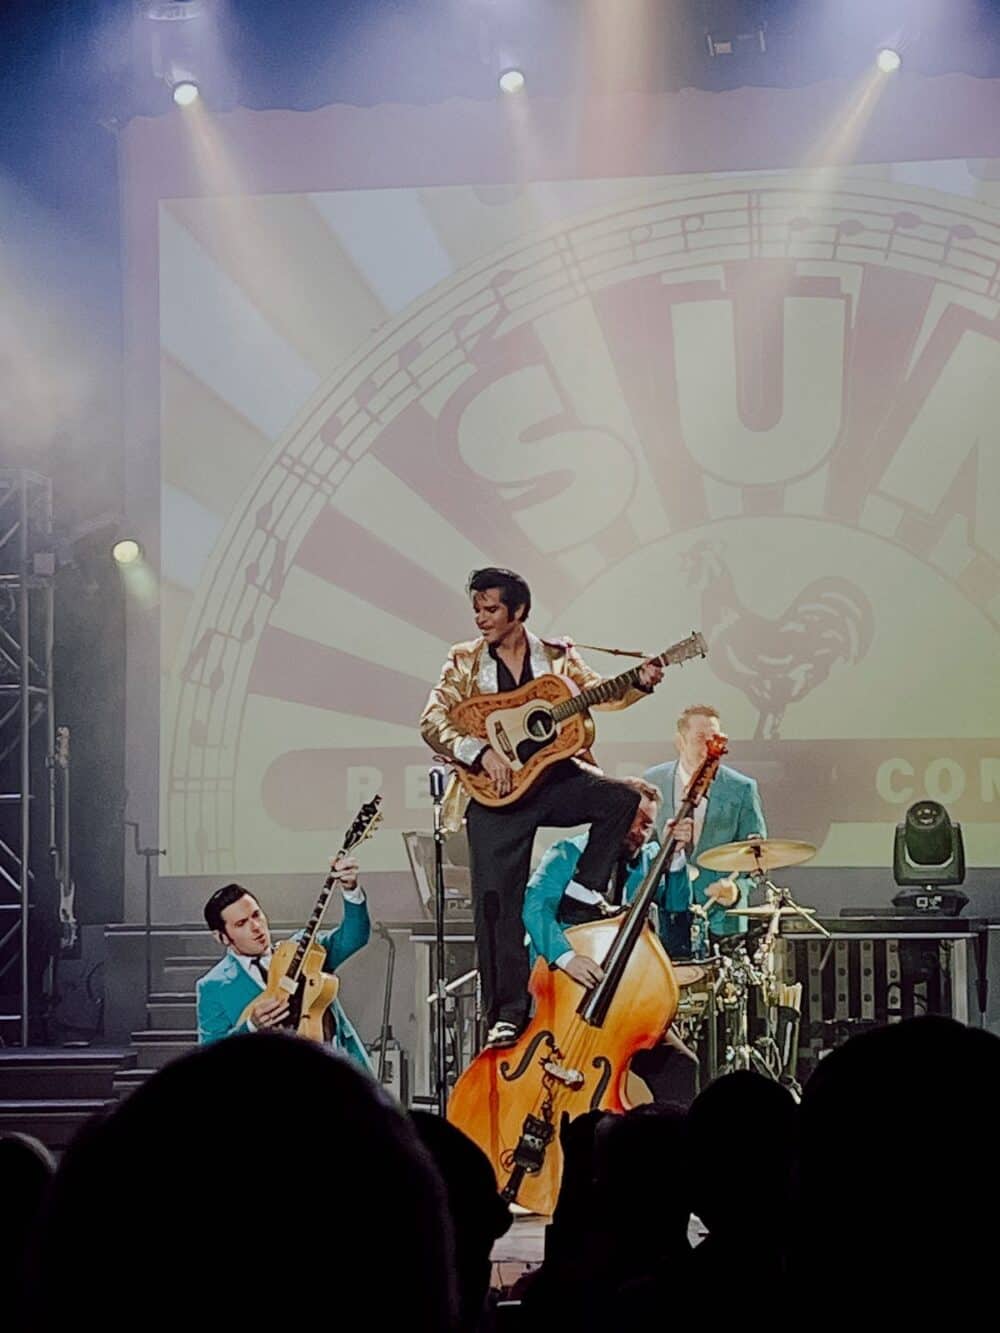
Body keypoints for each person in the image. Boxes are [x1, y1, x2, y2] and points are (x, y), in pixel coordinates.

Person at [420, 567, 663, 1047]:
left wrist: (641, 682)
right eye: (477, 609)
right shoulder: (464, 660)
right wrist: (480, 752)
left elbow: (602, 693)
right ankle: (506, 1013)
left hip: (551, 779)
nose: (481, 619)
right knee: (496, 906)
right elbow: (433, 719)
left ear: (519, 611)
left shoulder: (556, 655)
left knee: (621, 799)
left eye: (491, 609)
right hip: (495, 794)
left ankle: (583, 894)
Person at [522, 777, 700, 1105]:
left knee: (681, 1067)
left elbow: (676, 907)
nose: (642, 831)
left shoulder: (649, 860)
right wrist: (567, 958)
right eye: (637, 819)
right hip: (565, 992)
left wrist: (675, 857)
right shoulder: (567, 852)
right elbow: (536, 907)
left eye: (650, 825)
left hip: (623, 1000)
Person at [195, 853, 371, 1069]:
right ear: (222, 937)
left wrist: (350, 889)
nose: (256, 927)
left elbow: (354, 937)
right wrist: (250, 1027)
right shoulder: (212, 986)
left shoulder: (302, 951)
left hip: (342, 1080)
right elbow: (209, 1061)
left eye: (256, 915)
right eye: (241, 923)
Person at [644, 704, 766, 950]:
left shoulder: (741, 789)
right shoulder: (652, 781)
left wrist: (737, 890)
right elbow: (639, 847)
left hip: (721, 919)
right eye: (701, 739)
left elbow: (758, 857)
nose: (709, 748)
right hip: (665, 914)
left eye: (715, 739)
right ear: (680, 741)